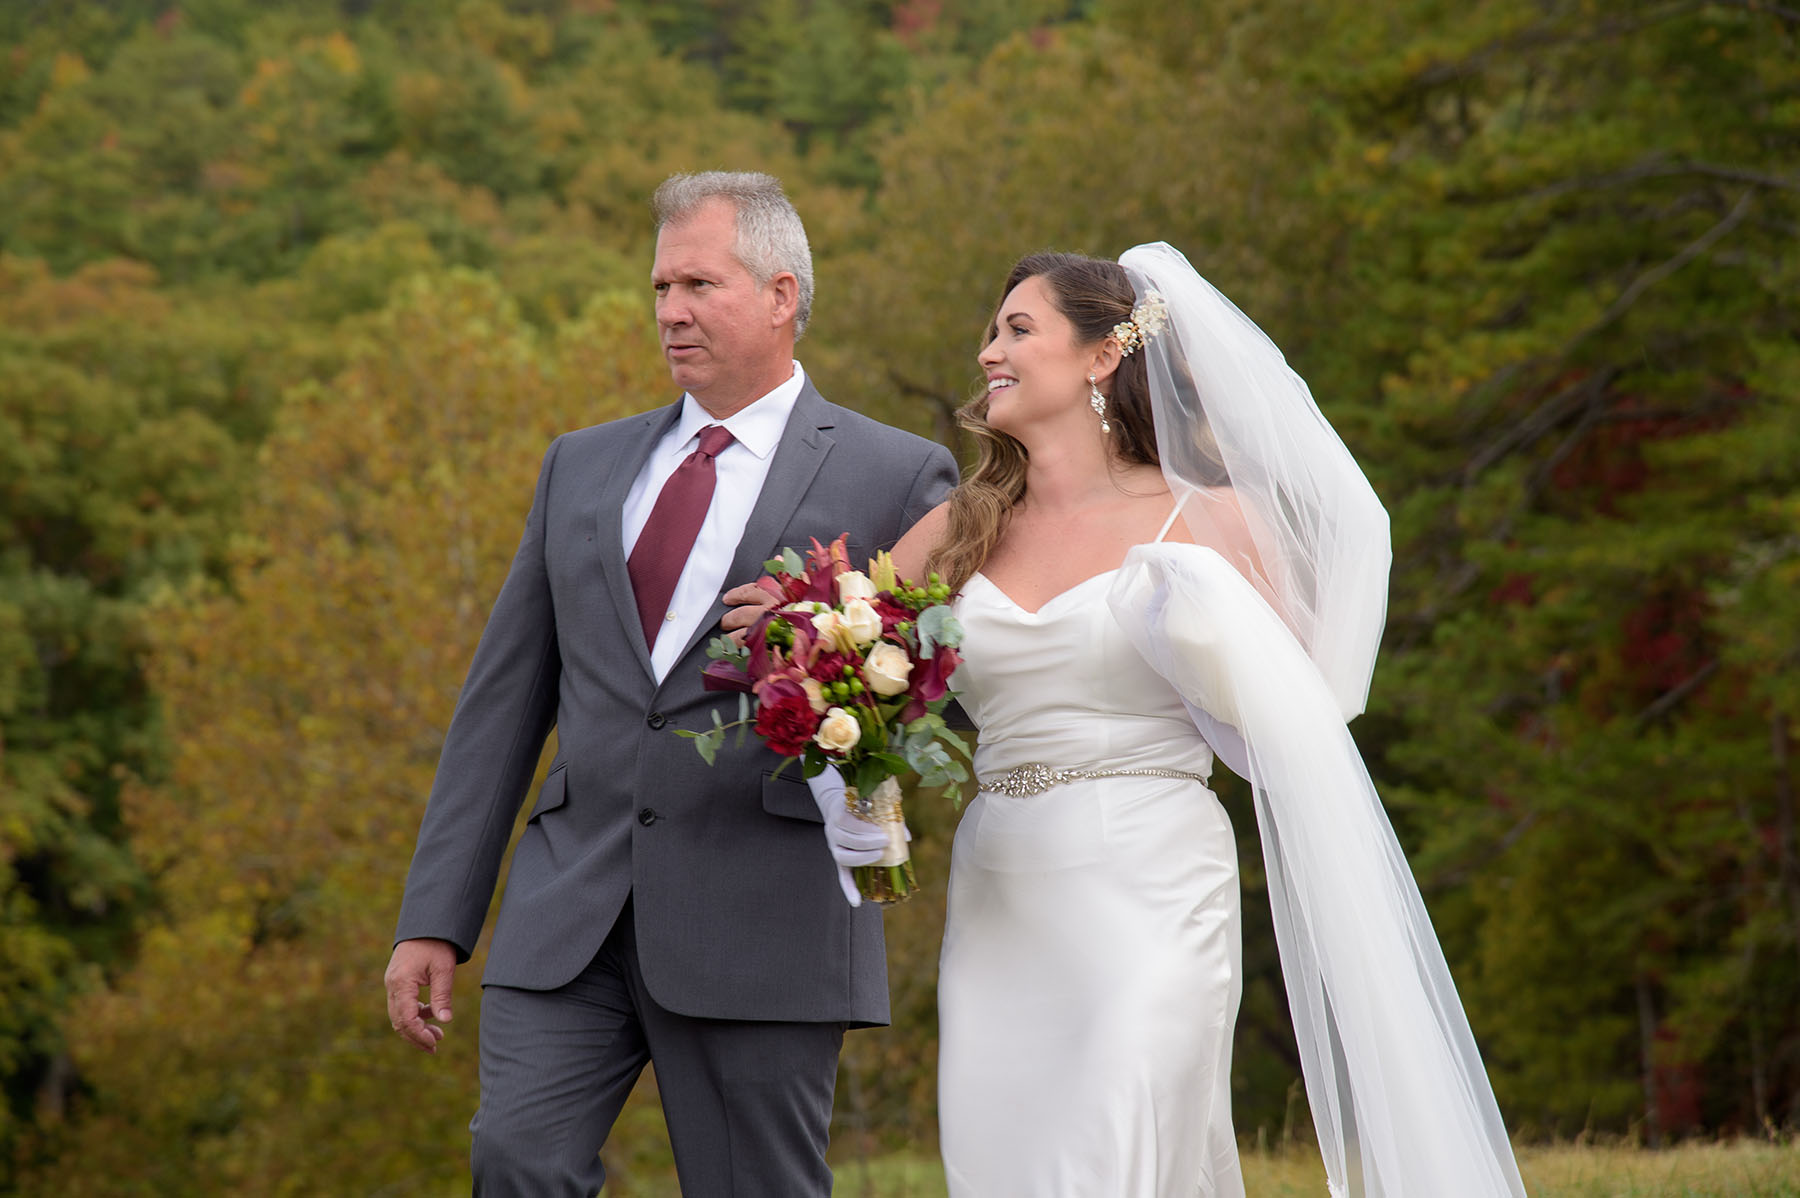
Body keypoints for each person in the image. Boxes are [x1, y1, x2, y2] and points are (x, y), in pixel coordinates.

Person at [888, 246, 1528, 1196]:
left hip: (1151, 880)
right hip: (1002, 888)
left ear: (1103, 357)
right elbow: (846, 669)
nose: (990, 351)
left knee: (1114, 1141)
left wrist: (1206, 640)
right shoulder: (961, 529)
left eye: (1019, 329)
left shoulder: (1209, 520)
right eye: (992, 330)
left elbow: (1304, 708)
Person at [383, 170, 957, 1197]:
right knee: (513, 1159)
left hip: (765, 919)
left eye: (698, 283)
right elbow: (503, 705)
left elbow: (933, 702)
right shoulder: (580, 467)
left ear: (782, 294)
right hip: (569, 910)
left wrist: (818, 648)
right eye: (659, 288)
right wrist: (435, 915)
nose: (671, 311)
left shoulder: (898, 474)